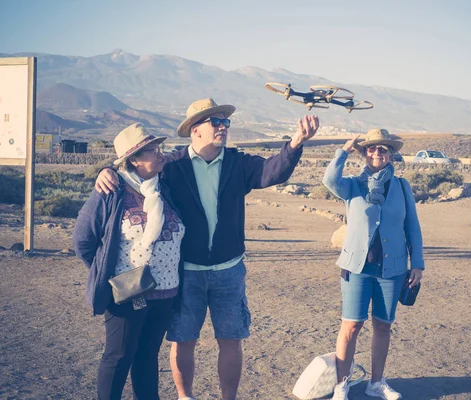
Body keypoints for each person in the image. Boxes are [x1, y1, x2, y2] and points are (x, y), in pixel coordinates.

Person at [94, 98, 320, 400]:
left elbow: (272, 172)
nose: (223, 127)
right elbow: (135, 170)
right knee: (183, 340)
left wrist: (295, 144)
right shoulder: (173, 166)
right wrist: (107, 170)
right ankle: (185, 397)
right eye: (216, 122)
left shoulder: (238, 163)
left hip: (228, 270)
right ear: (195, 129)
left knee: (230, 339)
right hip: (186, 272)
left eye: (226, 122)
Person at [73, 123, 185, 399]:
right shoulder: (111, 190)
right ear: (133, 159)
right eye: (152, 150)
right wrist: (107, 274)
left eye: (160, 149)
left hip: (166, 291)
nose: (161, 155)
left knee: (147, 356)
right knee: (119, 355)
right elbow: (83, 241)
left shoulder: (163, 188)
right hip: (128, 292)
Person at [322, 129, 424, 400]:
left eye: (383, 149)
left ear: (392, 154)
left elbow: (411, 225)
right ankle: (341, 385)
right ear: (365, 153)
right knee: (351, 325)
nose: (377, 153)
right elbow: (329, 179)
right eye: (371, 148)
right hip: (356, 267)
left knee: (382, 325)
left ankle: (376, 383)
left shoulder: (402, 186)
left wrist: (418, 263)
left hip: (393, 269)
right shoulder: (353, 185)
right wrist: (344, 150)